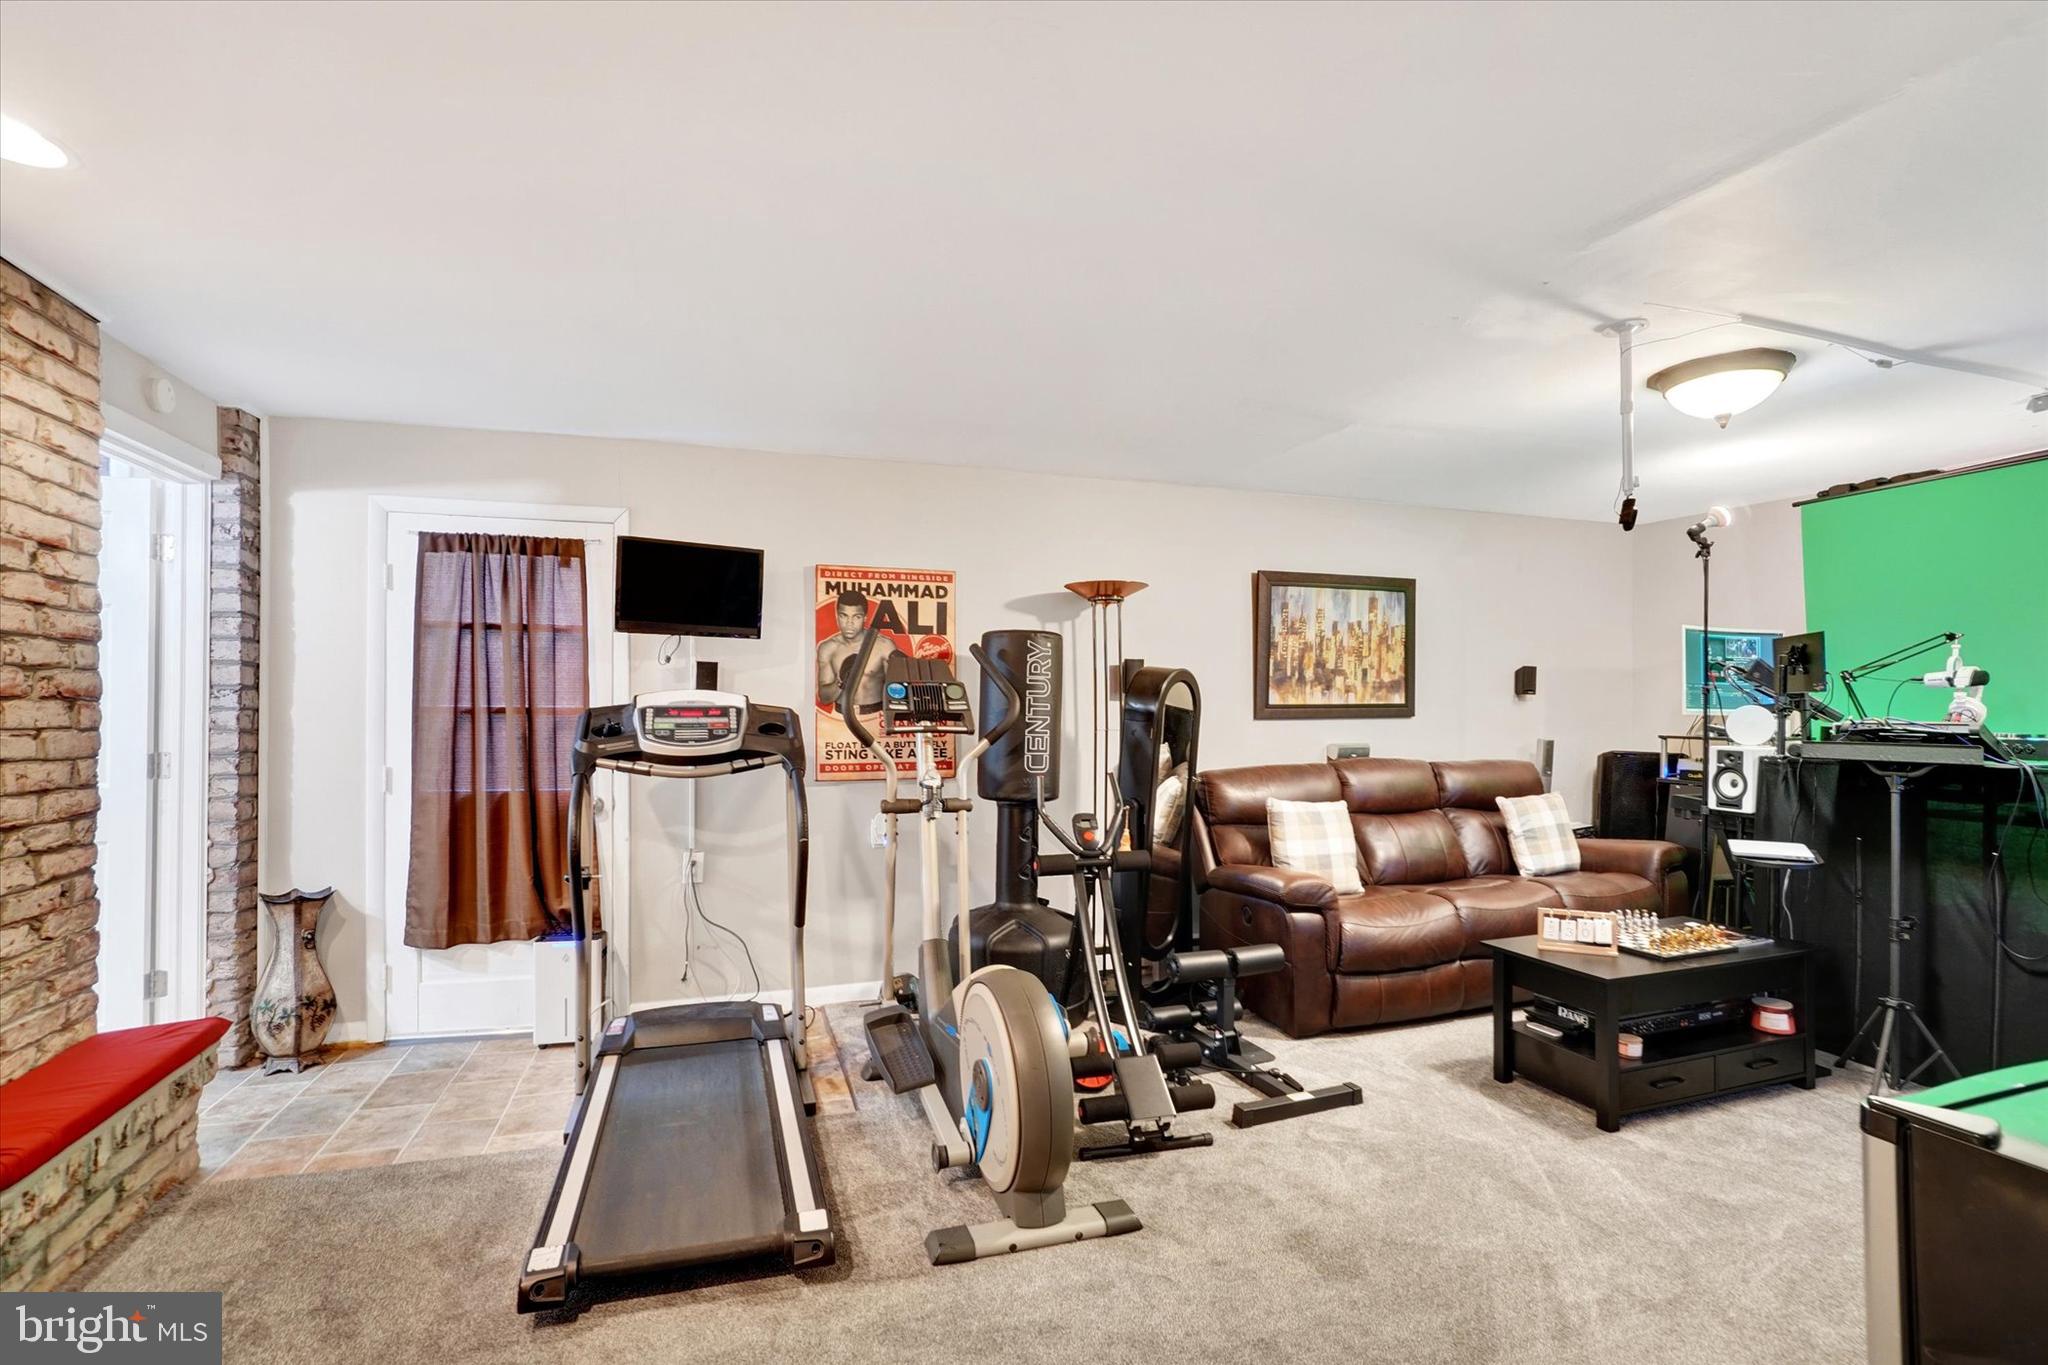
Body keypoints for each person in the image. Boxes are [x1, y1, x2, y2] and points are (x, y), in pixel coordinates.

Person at [816, 588, 897, 719]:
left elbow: (896, 692)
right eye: (844, 616)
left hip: (876, 716)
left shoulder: (884, 645)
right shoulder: (828, 648)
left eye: (856, 617)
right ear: (837, 616)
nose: (849, 623)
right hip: (841, 717)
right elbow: (825, 698)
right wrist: (841, 681)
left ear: (865, 618)